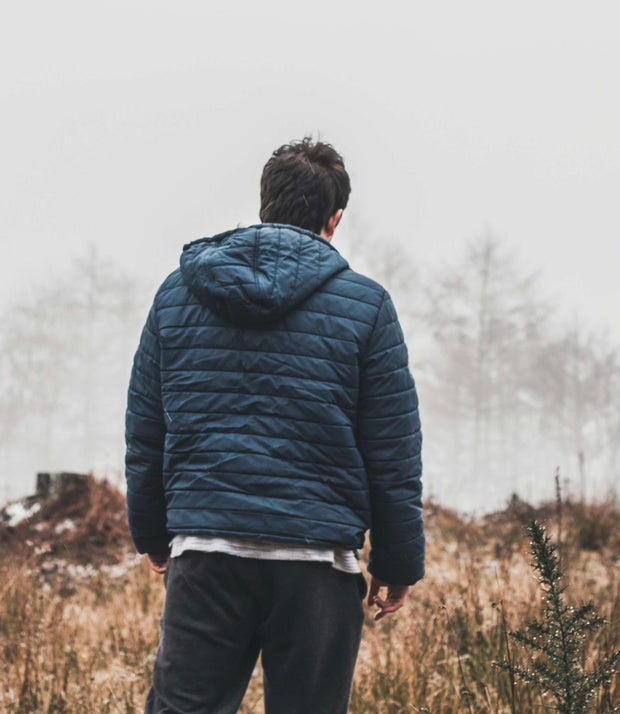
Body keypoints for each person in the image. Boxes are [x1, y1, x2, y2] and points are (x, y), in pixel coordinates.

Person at [125, 137, 424, 714]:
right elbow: (392, 451)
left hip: (207, 553)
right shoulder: (367, 307)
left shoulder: (177, 294)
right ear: (333, 221)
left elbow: (146, 430)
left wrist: (154, 533)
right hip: (317, 565)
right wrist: (397, 563)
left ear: (266, 204)